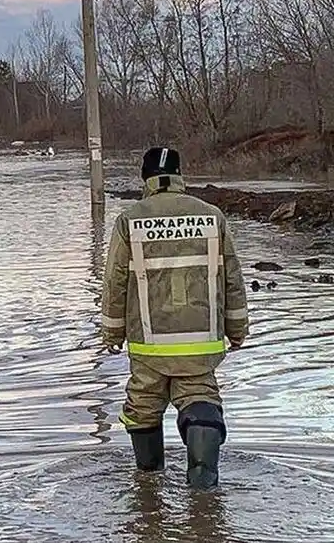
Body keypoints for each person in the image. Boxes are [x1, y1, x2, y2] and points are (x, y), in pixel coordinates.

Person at [101, 147, 249, 490]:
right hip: (200, 344)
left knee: (142, 409)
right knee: (202, 404)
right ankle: (203, 489)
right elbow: (232, 280)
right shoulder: (212, 217)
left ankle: (149, 488)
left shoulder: (130, 220)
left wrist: (112, 334)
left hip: (149, 346)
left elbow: (115, 282)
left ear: (146, 179)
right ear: (181, 176)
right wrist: (237, 330)